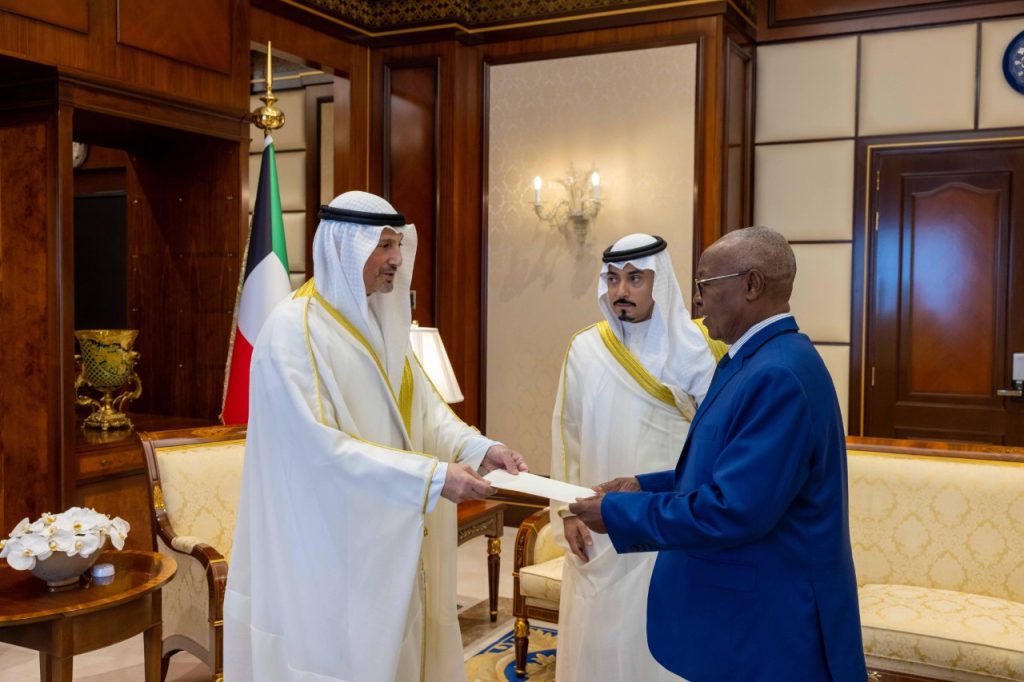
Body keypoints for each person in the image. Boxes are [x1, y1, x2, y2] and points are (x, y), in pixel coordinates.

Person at [224, 191, 527, 682]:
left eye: (398, 244)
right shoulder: (294, 332)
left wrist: (480, 448)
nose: (396, 259)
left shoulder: (379, 320)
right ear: (344, 246)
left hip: (385, 534)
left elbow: (425, 412)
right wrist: (431, 477)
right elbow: (319, 452)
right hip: (326, 545)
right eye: (383, 245)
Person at [569, 227, 867, 681]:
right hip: (748, 606)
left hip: (771, 619)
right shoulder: (751, 360)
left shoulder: (777, 374)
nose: (697, 299)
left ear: (751, 285)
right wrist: (642, 486)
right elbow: (726, 469)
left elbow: (733, 509)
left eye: (705, 284)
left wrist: (617, 512)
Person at [550, 233, 724, 681]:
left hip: (671, 520)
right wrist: (567, 511)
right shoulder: (585, 348)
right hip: (599, 520)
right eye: (612, 279)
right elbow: (568, 436)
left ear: (658, 281)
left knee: (664, 636)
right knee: (603, 635)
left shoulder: (700, 349)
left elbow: (719, 441)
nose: (621, 291)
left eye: (634, 279)